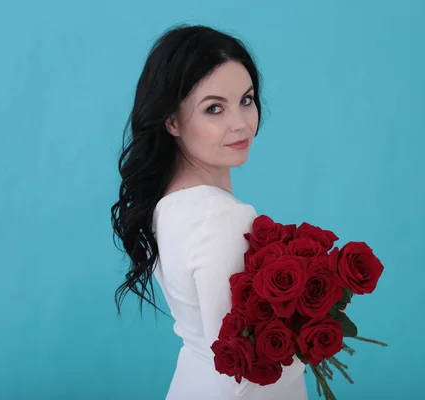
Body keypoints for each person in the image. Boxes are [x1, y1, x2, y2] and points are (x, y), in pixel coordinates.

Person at [110, 24, 308, 399]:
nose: (240, 123)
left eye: (246, 100)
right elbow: (240, 370)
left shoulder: (165, 204)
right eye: (214, 108)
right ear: (171, 121)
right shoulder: (222, 218)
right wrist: (308, 338)